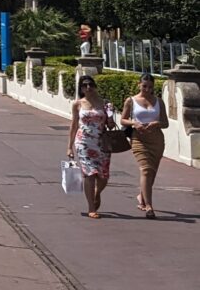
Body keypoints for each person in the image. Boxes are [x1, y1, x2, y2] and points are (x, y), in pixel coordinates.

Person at [122, 74, 168, 219]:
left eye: (150, 87)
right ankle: (149, 206)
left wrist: (156, 123)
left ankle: (142, 196)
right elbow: (123, 120)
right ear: (139, 85)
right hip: (139, 139)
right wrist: (134, 123)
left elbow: (165, 123)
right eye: (144, 86)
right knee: (146, 170)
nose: (147, 89)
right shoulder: (131, 101)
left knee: (152, 172)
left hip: (156, 140)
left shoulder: (159, 101)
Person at [68, 73, 114, 219]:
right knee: (90, 174)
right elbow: (74, 125)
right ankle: (91, 208)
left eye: (91, 84)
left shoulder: (105, 103)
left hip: (101, 142)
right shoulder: (78, 104)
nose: (88, 88)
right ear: (81, 89)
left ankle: (97, 192)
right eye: (85, 85)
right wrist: (69, 146)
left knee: (103, 176)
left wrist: (111, 118)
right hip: (83, 142)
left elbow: (111, 125)